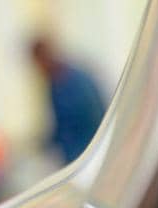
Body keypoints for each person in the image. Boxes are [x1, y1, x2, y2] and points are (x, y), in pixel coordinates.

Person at [29, 35, 109, 165]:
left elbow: (94, 119)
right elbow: (60, 127)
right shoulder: (54, 86)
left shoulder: (78, 81)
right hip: (74, 158)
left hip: (90, 154)